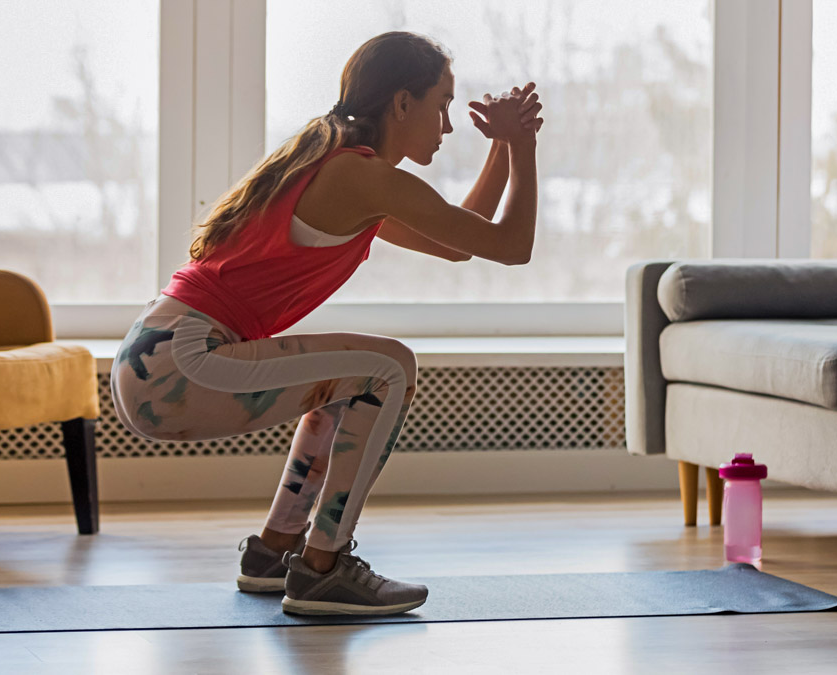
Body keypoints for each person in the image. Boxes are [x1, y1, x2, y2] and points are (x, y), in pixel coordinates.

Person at [109, 31, 542, 617]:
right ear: (401, 103)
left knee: (350, 381)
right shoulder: (360, 177)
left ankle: (274, 552)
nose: (446, 125)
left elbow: (462, 243)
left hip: (159, 356)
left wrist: (504, 147)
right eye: (441, 104)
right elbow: (512, 246)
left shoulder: (338, 165)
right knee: (389, 368)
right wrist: (523, 147)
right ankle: (324, 567)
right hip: (177, 363)